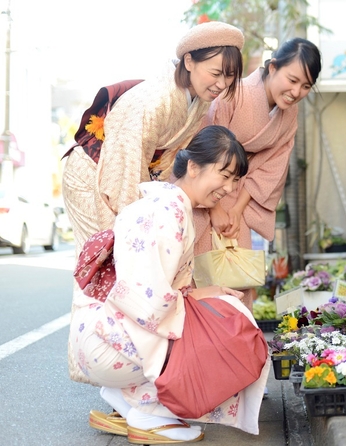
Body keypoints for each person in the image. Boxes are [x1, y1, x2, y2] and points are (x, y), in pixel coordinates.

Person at [62, 21, 245, 383]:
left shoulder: (194, 104)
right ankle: (109, 373)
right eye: (216, 73)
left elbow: (166, 165)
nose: (221, 84)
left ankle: (126, 376)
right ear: (188, 61)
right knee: (112, 268)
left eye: (229, 77)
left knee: (134, 275)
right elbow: (123, 166)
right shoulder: (154, 99)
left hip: (130, 177)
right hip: (96, 179)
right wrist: (138, 226)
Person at [71, 125, 270, 444]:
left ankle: (126, 398)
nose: (229, 188)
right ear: (193, 167)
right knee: (221, 336)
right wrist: (203, 311)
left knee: (215, 310)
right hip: (108, 347)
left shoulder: (161, 203)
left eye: (235, 180)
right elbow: (146, 300)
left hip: (97, 337)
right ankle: (146, 413)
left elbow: (155, 288)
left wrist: (205, 295)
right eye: (225, 175)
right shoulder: (169, 213)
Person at [162, 38, 322, 309]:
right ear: (272, 68)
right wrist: (214, 209)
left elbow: (273, 165)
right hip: (205, 188)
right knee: (197, 269)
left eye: (306, 86)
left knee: (236, 276)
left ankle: (235, 341)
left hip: (238, 197)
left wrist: (236, 209)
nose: (296, 92)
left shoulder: (289, 115)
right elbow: (204, 145)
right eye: (292, 80)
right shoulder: (236, 92)